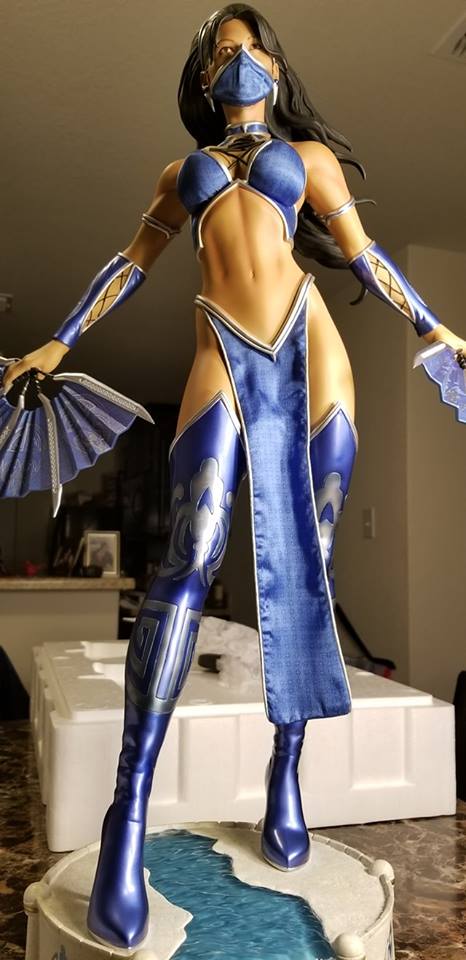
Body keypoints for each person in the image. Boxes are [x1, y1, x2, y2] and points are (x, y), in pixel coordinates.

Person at [4, 4, 465, 949]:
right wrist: (60, 339)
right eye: (223, 53)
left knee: (310, 568)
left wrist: (436, 327)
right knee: (189, 555)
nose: (239, 62)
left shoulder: (311, 159)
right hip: (224, 341)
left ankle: (285, 776)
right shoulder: (182, 173)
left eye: (252, 50)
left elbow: (365, 256)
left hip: (311, 344)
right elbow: (131, 262)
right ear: (204, 78)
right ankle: (127, 809)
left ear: (275, 68)